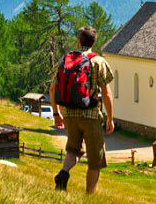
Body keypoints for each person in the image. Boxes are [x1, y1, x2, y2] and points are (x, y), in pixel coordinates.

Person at [50, 26, 115, 195]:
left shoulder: (67, 60)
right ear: (94, 42)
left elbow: (52, 89)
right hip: (91, 115)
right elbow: (107, 94)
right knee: (95, 161)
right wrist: (110, 119)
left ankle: (63, 173)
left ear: (79, 42)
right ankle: (89, 196)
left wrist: (56, 114)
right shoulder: (98, 61)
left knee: (73, 149)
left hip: (70, 114)